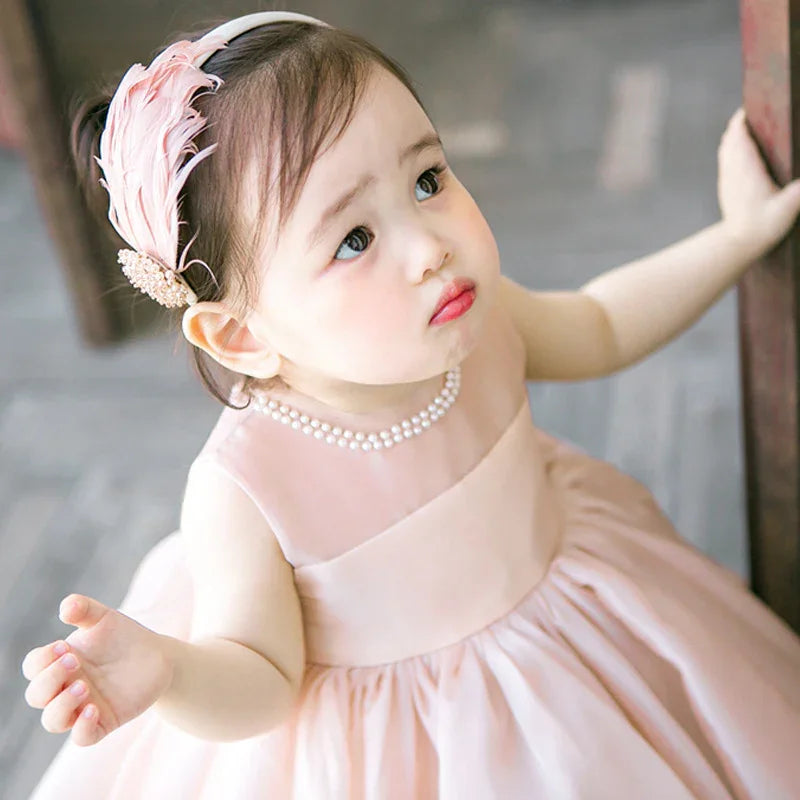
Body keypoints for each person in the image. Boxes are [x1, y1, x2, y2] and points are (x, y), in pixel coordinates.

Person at [20, 9, 800, 799]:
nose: (432, 249)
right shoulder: (246, 489)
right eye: (354, 239)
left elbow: (597, 324)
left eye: (427, 181)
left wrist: (736, 239)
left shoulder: (479, 323)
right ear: (241, 336)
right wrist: (172, 671)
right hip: (398, 748)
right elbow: (260, 675)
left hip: (578, 639)